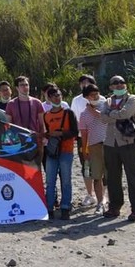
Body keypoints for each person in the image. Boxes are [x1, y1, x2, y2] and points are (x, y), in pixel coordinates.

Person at [100, 75, 135, 222]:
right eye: (115, 83)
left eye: (121, 82)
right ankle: (115, 206)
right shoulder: (107, 101)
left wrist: (112, 114)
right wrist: (117, 115)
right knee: (112, 177)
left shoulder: (132, 99)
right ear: (110, 87)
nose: (119, 85)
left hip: (128, 142)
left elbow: (126, 114)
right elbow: (102, 117)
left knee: (134, 176)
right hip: (110, 144)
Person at [43, 87, 78, 220]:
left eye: (59, 95)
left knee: (66, 181)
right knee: (50, 181)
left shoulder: (69, 113)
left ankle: (65, 207)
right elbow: (46, 132)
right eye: (54, 96)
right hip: (52, 152)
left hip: (66, 151)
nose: (57, 98)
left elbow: (75, 132)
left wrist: (61, 134)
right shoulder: (46, 115)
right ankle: (49, 208)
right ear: (49, 99)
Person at [78, 83, 107, 214]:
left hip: (110, 144)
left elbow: (105, 119)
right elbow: (84, 135)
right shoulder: (83, 115)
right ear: (86, 97)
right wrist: (84, 151)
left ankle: (112, 201)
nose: (96, 97)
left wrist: (93, 111)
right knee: (97, 176)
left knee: (111, 175)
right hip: (94, 146)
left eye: (97, 94)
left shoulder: (106, 105)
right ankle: (100, 202)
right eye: (92, 95)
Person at [71, 74, 99, 207]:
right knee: (86, 165)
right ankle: (90, 194)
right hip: (83, 138)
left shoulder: (102, 99)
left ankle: (102, 194)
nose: (85, 85)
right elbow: (74, 118)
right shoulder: (76, 100)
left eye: (88, 82)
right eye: (82, 83)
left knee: (102, 166)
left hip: (100, 138)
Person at [5, 76, 46, 159]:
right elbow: (8, 125)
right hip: (18, 142)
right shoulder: (11, 104)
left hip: (35, 140)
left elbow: (42, 123)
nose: (25, 87)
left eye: (26, 85)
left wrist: (42, 137)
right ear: (17, 88)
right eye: (22, 85)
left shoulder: (37, 102)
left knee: (36, 168)